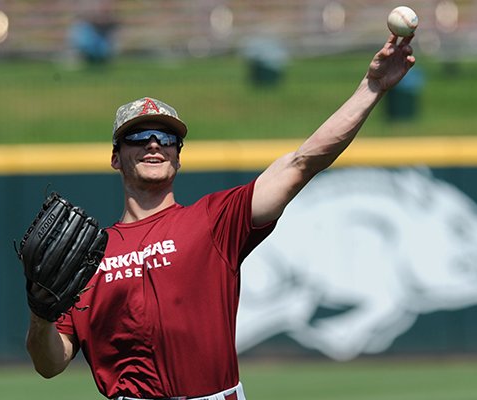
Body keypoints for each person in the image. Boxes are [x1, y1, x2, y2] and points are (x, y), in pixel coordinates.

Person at [25, 33, 416, 400]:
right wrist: (40, 316)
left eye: (167, 138)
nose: (154, 144)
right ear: (116, 157)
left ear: (178, 157)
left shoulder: (216, 220)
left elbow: (303, 162)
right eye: (138, 137)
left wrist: (372, 88)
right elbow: (50, 364)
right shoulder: (88, 257)